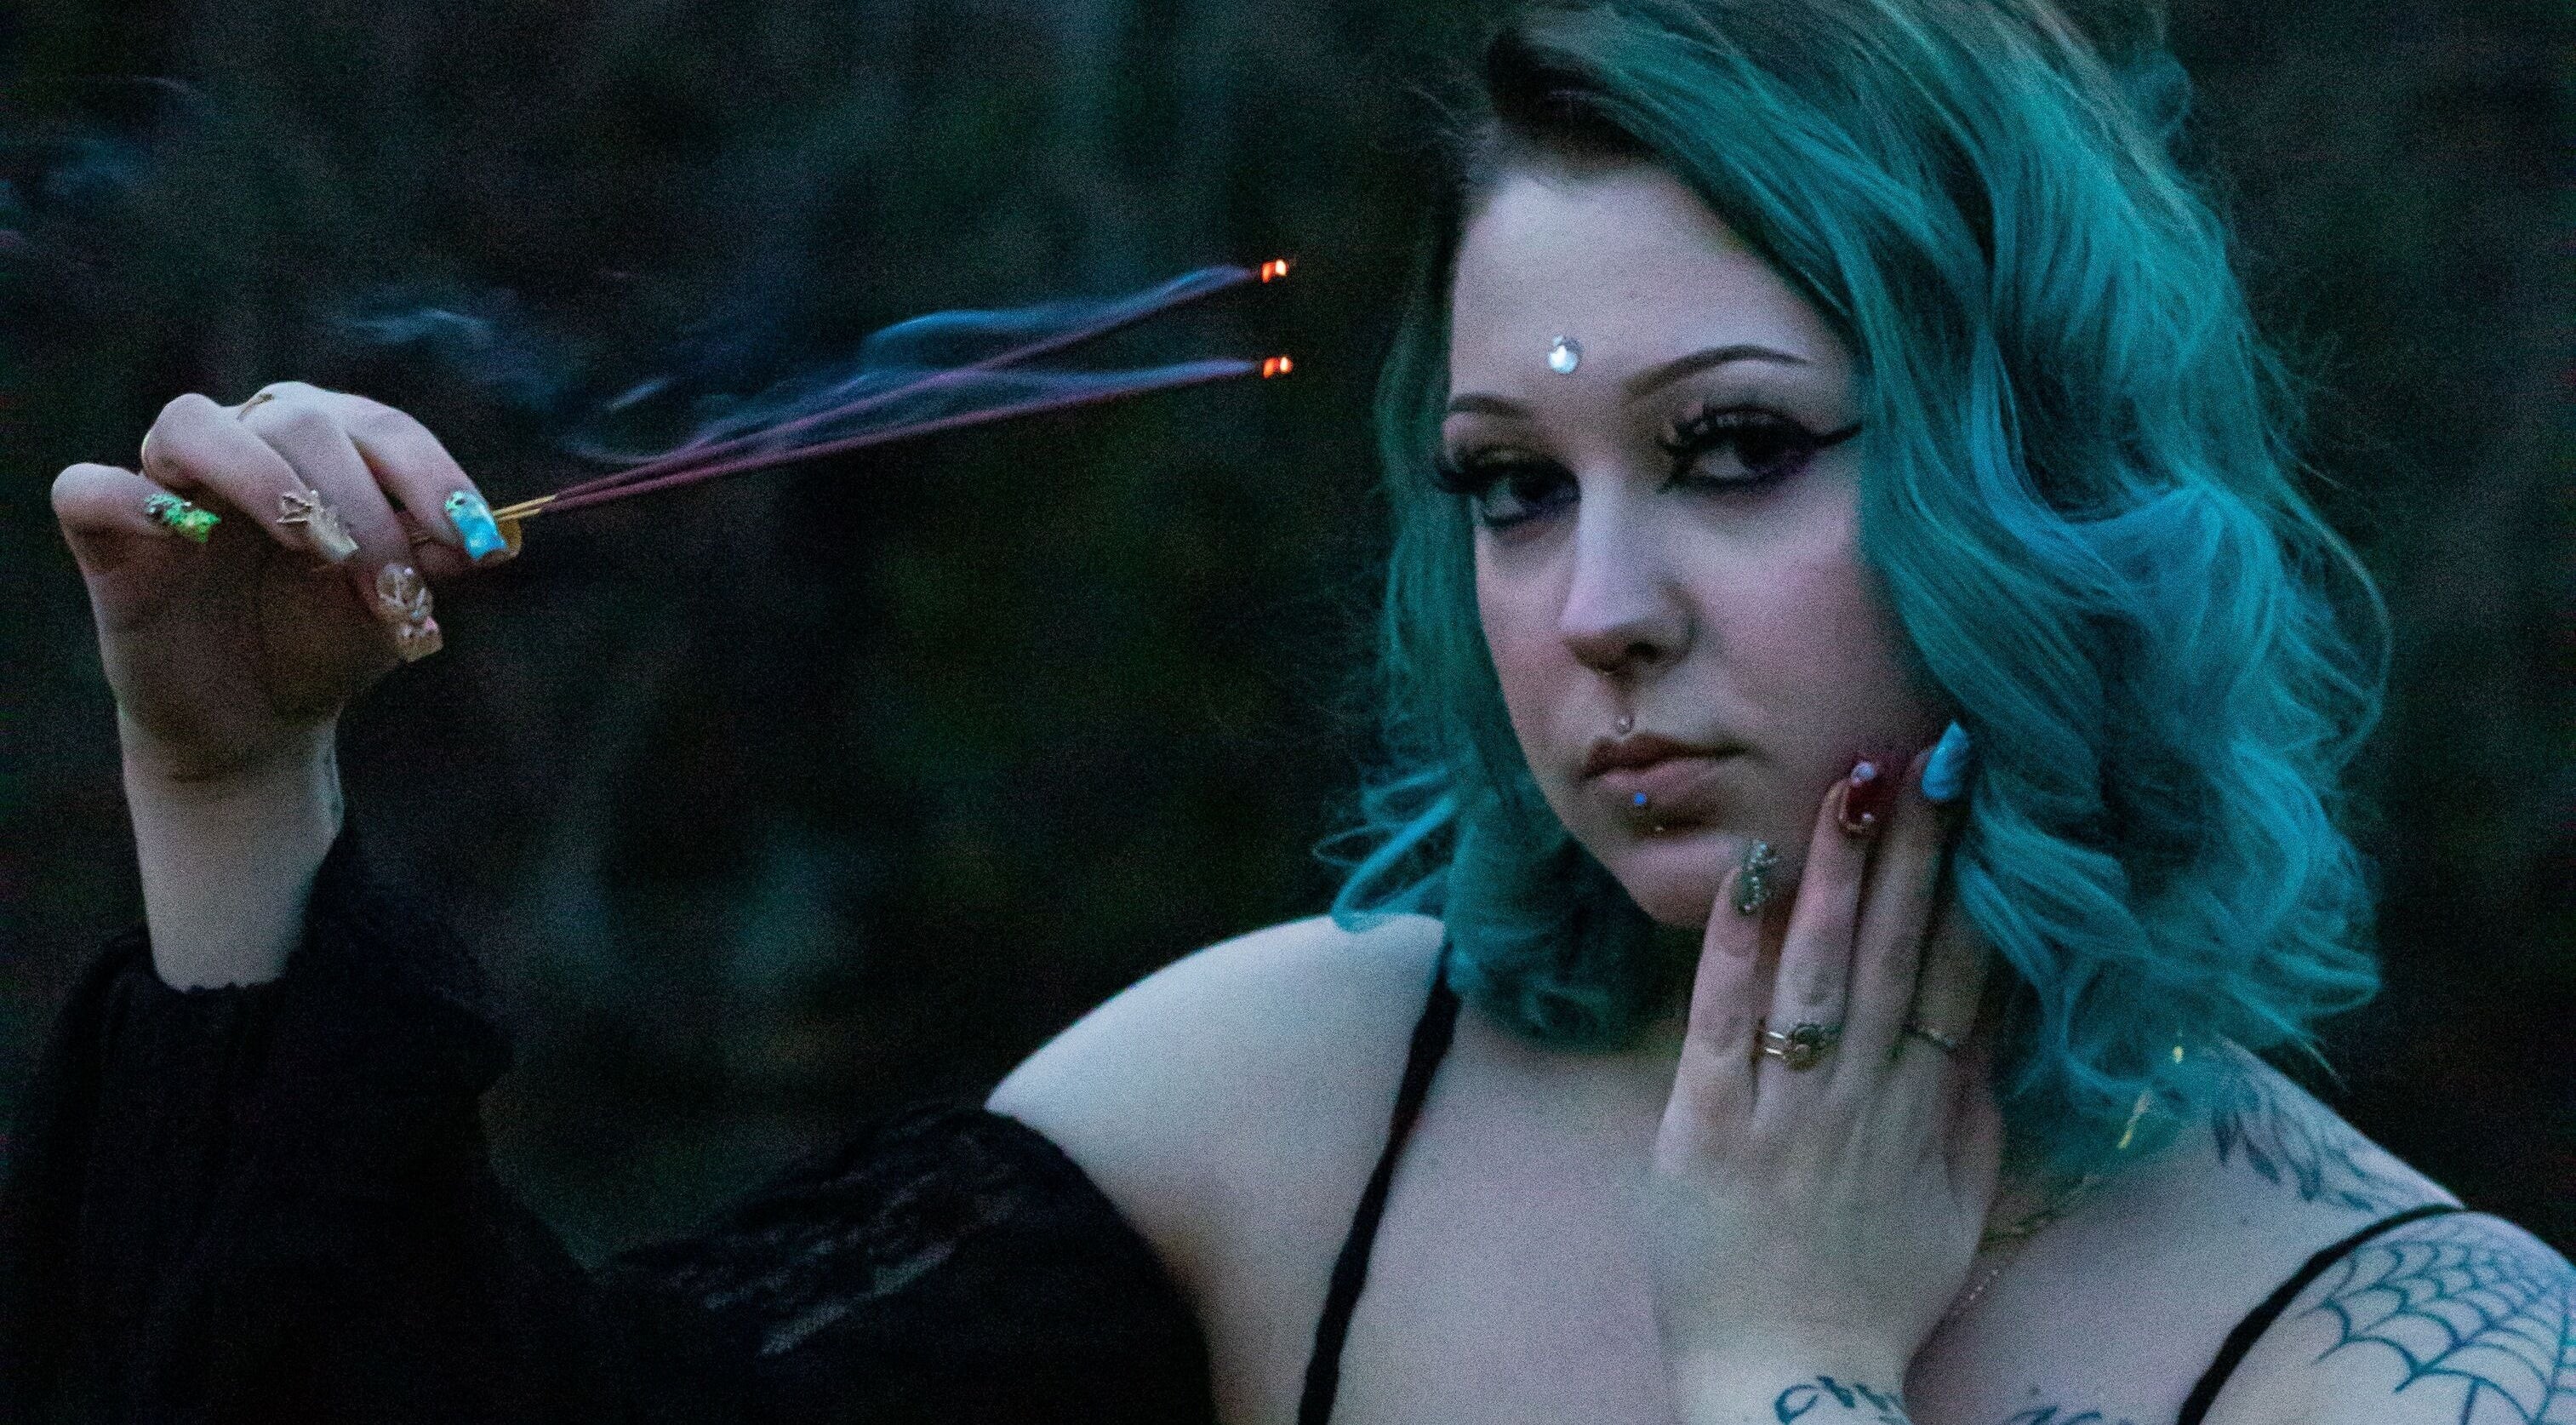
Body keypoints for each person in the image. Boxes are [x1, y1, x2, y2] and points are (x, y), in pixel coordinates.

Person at [9, 1, 2567, 1423]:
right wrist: (237, 795)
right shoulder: (1303, 1104)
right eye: (1505, 486)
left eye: (1733, 451)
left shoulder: (2416, 1353)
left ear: (2055, 483)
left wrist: (1782, 1359)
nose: (1595, 613)